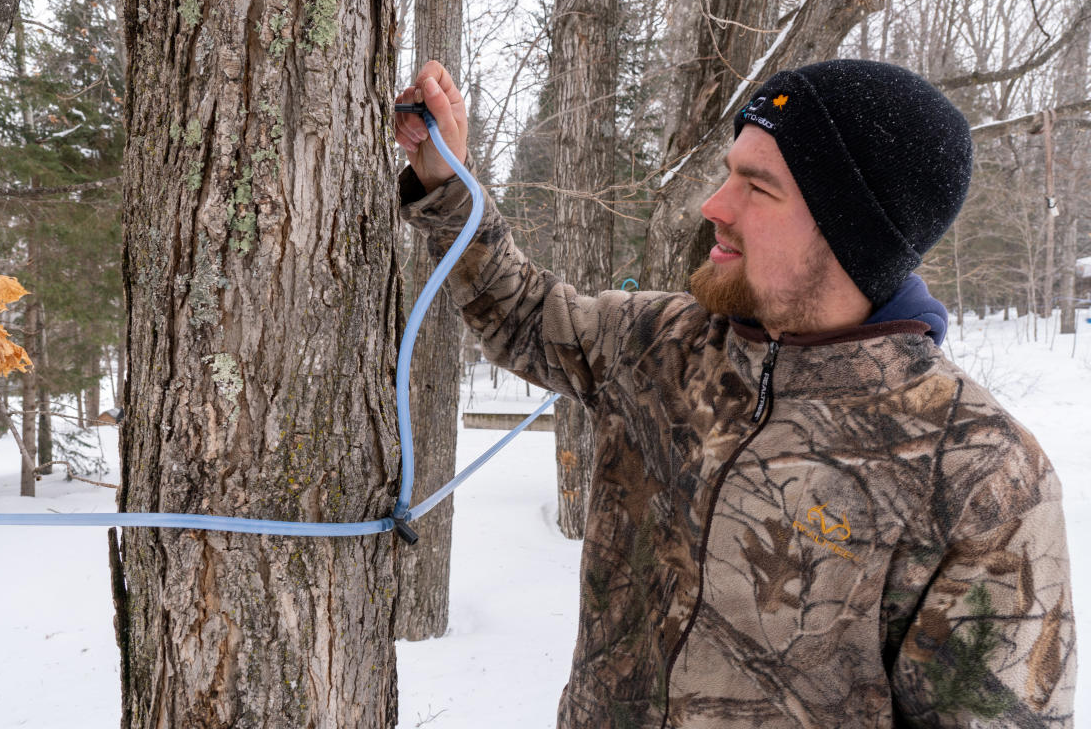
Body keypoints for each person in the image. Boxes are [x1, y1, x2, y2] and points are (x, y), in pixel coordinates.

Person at [394, 59, 1076, 728]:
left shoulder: (979, 470)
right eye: (729, 173)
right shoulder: (661, 345)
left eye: (758, 186)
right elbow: (522, 316)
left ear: (852, 231)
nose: (714, 206)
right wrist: (446, 180)